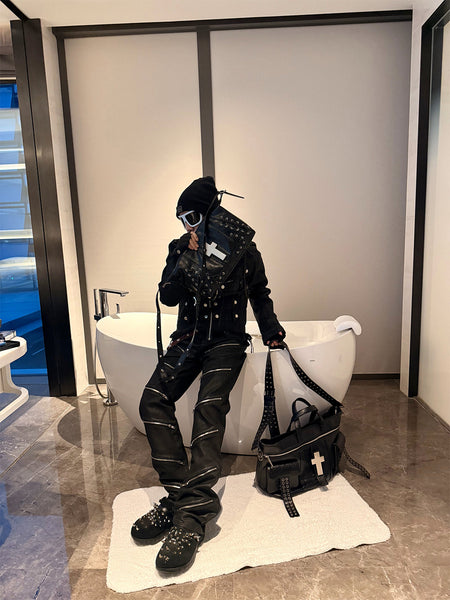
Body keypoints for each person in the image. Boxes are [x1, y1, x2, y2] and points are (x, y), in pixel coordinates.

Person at [131, 176, 285, 574]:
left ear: (209, 213)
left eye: (192, 217)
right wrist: (185, 255)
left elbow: (259, 292)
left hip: (227, 342)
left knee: (209, 407)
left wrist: (272, 332)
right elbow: (168, 296)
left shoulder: (242, 249)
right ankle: (181, 496)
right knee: (152, 400)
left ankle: (193, 517)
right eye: (181, 219)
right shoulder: (179, 247)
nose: (187, 226)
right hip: (189, 339)